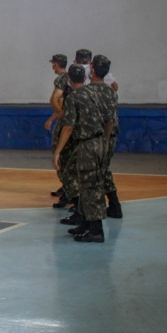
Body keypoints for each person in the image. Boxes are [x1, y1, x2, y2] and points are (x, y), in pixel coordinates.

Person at [52, 64, 108, 242]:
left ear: (69, 79)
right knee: (74, 177)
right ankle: (83, 220)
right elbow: (108, 119)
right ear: (84, 78)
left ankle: (96, 230)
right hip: (99, 142)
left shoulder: (74, 97)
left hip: (87, 145)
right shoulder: (95, 93)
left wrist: (58, 152)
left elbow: (68, 127)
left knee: (90, 186)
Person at [87, 55, 123, 219]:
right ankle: (114, 205)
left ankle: (93, 214)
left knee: (92, 173)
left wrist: (104, 141)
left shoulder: (89, 91)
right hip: (108, 135)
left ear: (92, 68)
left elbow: (107, 120)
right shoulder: (111, 91)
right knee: (102, 170)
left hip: (97, 136)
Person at [45, 54, 71, 207]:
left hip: (65, 123)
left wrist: (57, 116)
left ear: (56, 64)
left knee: (60, 154)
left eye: (53, 64)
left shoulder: (61, 79)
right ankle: (66, 187)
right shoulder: (70, 78)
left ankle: (68, 190)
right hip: (67, 119)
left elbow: (57, 101)